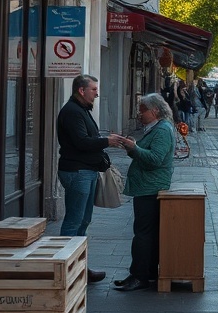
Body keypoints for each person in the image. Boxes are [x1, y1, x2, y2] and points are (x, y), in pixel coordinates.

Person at [56, 74, 122, 284]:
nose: (97, 93)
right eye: (93, 89)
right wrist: (106, 141)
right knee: (74, 221)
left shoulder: (81, 109)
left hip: (87, 171)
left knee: (84, 220)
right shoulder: (72, 111)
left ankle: (79, 266)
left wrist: (104, 140)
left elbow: (87, 139)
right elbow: (81, 142)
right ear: (81, 90)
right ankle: (64, 269)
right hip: (78, 172)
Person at [111, 92, 175, 292]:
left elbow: (155, 159)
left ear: (154, 111)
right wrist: (131, 148)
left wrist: (134, 148)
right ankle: (145, 273)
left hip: (151, 187)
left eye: (142, 110)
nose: (139, 114)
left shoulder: (163, 130)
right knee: (146, 233)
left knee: (143, 234)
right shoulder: (155, 128)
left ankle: (139, 276)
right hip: (147, 187)